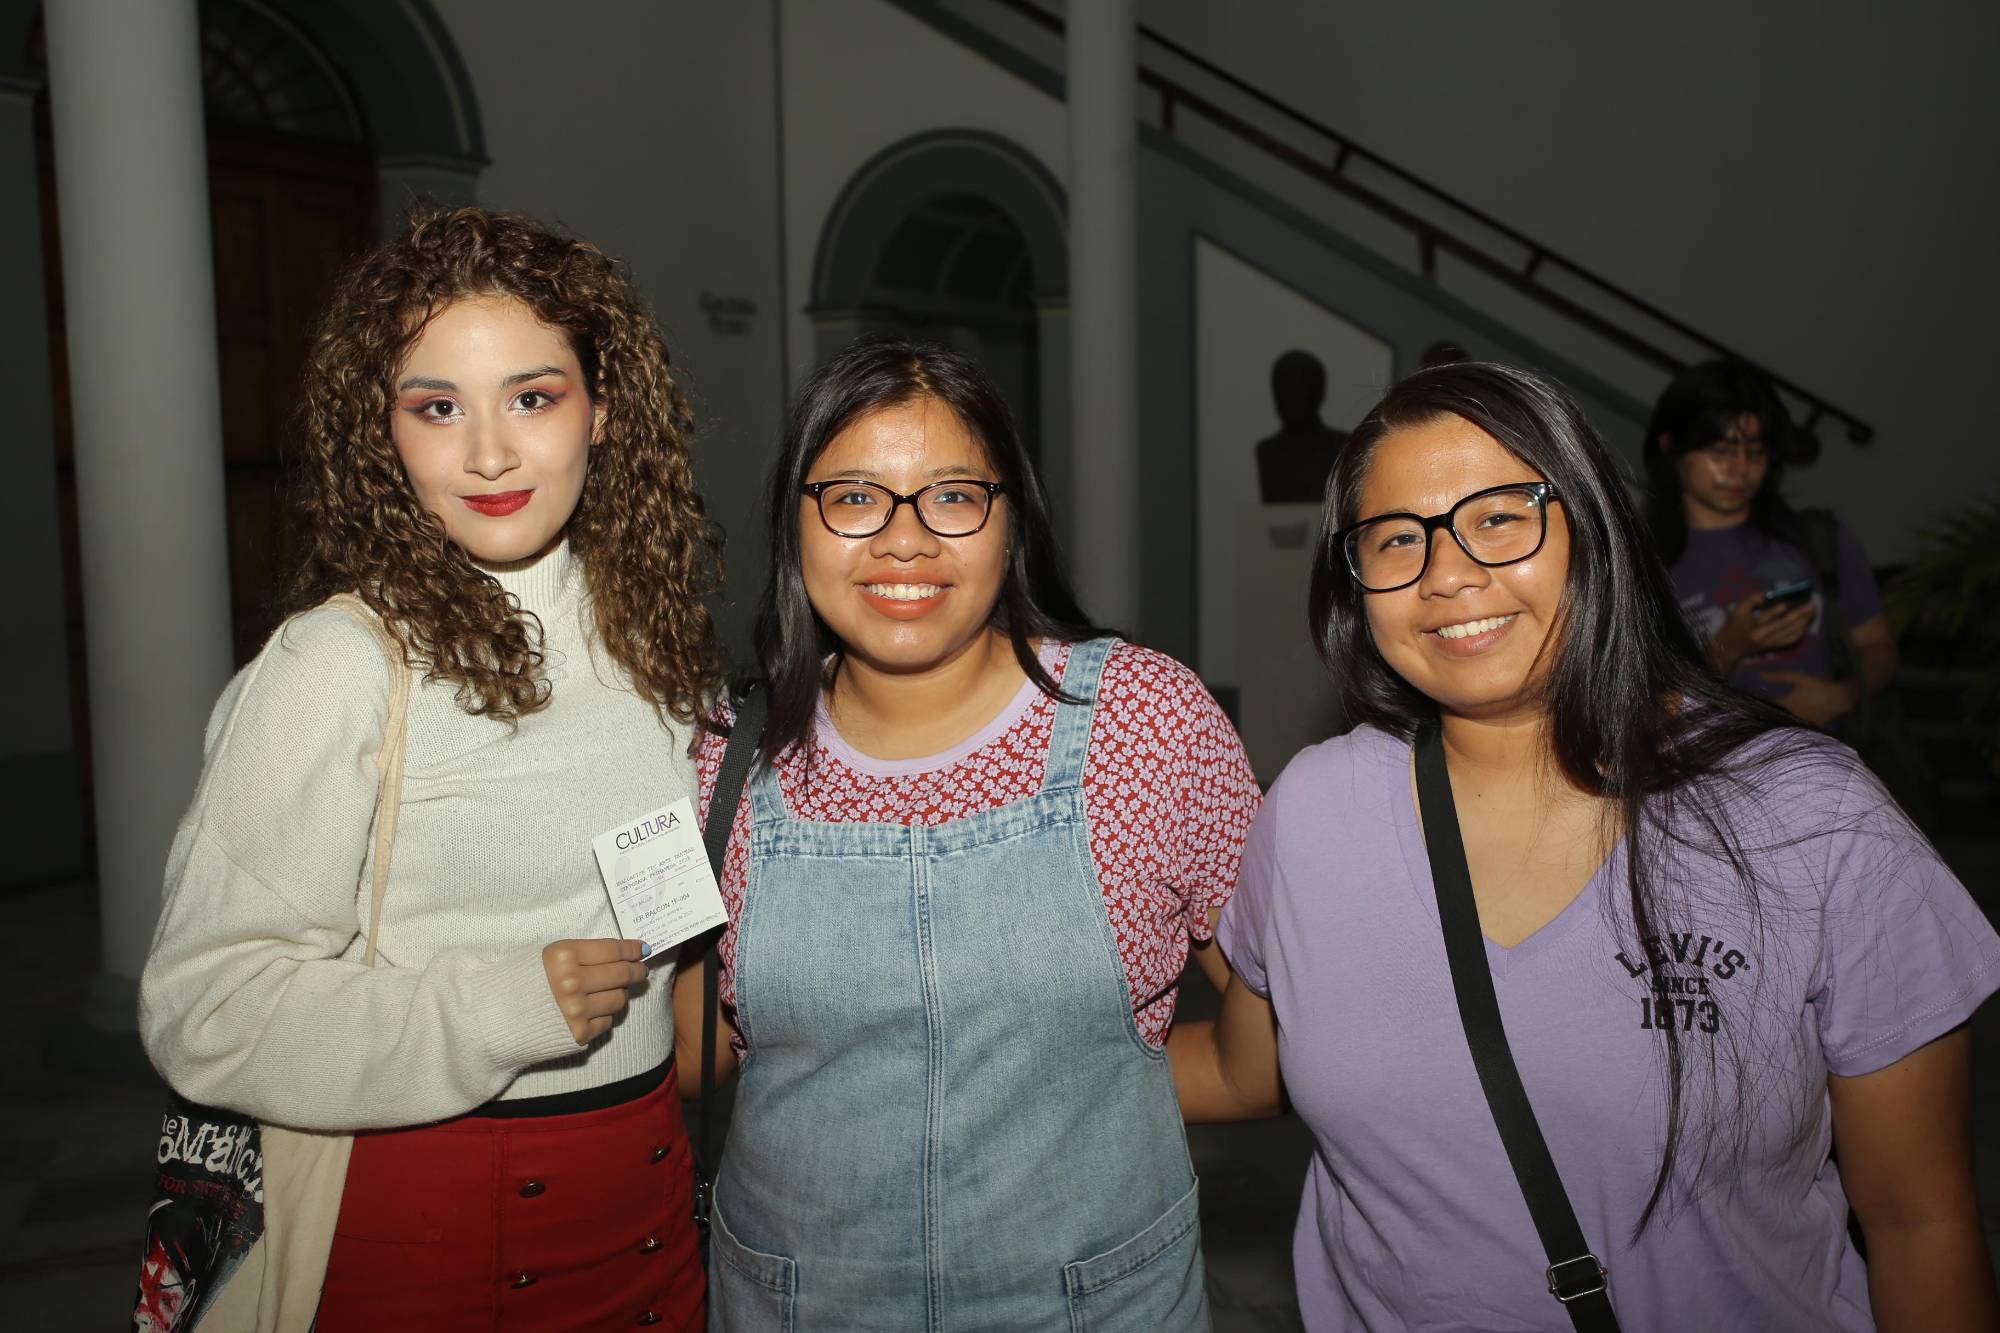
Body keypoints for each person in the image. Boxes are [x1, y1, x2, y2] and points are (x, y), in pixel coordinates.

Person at [1171, 362, 2000, 1330]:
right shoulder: (1315, 808)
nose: (1445, 573)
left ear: (1592, 528)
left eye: (1497, 516)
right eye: (1394, 538)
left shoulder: (1803, 815)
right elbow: (1247, 1067)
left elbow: (1917, 1221)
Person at [139, 206, 721, 1331]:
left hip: (648, 1190)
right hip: (434, 1218)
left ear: (603, 413)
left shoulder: (649, 637)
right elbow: (201, 1007)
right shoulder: (339, 665)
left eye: (533, 397)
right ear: (383, 431)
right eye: (437, 407)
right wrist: (498, 1006)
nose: (489, 453)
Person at [677, 337, 1260, 1330]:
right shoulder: (721, 759)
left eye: (951, 497)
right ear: (796, 521)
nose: (903, 542)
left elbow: (1260, 1060)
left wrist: (1075, 1091)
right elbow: (695, 1062)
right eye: (854, 497)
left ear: (1009, 519)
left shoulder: (1143, 724)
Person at [1642, 359, 1897, 729]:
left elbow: (1879, 647)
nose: (1740, 468)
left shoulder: (1818, 537)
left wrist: (1841, 695)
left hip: (1827, 759)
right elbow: (1645, 708)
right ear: (1671, 447)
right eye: (1721, 450)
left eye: (1756, 451)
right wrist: (1730, 645)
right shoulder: (1641, 563)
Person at [1257, 348, 1351, 502]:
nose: (1287, 399)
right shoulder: (1266, 451)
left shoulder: (1341, 447)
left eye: (1296, 389)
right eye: (1282, 390)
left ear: (1318, 393)